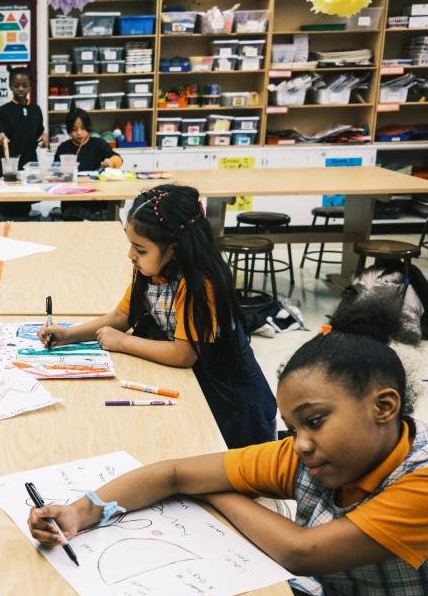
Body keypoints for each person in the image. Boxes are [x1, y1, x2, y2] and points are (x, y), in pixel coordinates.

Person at [29, 291, 428, 596]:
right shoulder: (311, 453)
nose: (299, 443)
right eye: (292, 427)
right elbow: (171, 473)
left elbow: (302, 553)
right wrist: (79, 512)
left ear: (384, 406)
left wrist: (214, 491)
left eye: (315, 421)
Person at [39, 185, 276, 448]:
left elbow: (183, 354)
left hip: (229, 400)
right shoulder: (154, 270)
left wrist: (121, 342)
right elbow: (121, 315)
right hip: (196, 383)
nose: (131, 256)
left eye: (140, 250)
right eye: (131, 246)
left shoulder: (199, 282)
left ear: (174, 248)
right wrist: (68, 335)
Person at [0, 66, 47, 221]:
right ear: (10, 86)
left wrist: (44, 138)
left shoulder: (36, 110)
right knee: (4, 211)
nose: (21, 89)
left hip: (29, 167)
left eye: (25, 85)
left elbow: (39, 133)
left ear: (31, 86)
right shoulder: (4, 111)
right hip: (8, 167)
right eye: (16, 85)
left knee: (24, 211)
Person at [52, 107, 122, 221]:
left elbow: (118, 158)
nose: (79, 133)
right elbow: (54, 172)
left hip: (97, 200)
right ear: (69, 129)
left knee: (109, 220)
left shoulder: (98, 144)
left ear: (88, 127)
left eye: (83, 128)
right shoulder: (64, 147)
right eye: (74, 129)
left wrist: (111, 162)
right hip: (72, 202)